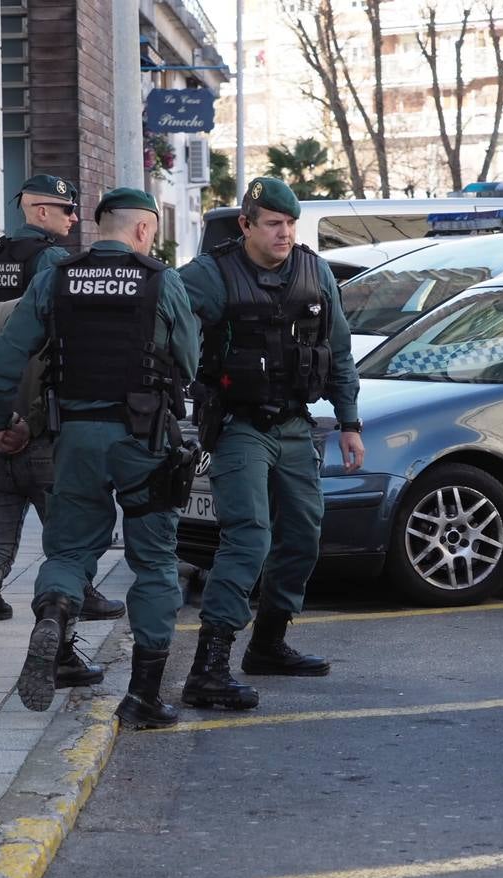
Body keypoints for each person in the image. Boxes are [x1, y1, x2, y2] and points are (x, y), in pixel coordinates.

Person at [0, 188, 198, 728]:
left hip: (74, 437)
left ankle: (54, 614)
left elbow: (0, 363)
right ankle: (143, 696)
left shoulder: (56, 278)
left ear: (97, 227)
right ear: (145, 230)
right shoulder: (160, 280)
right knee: (153, 563)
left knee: (71, 547)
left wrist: (5, 421)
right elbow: (189, 361)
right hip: (145, 440)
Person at [178, 177, 364, 711]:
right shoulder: (211, 275)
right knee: (248, 538)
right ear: (246, 225)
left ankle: (268, 644)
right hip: (238, 426)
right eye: (272, 224)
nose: (284, 234)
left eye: (290, 224)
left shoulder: (315, 271)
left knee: (303, 535)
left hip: (294, 425)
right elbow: (164, 323)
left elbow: (339, 350)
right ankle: (207, 668)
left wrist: (349, 421)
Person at [0, 291, 125, 704]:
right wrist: (27, 424)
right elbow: (72, 382)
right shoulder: (74, 310)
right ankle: (61, 650)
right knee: (68, 552)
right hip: (49, 450)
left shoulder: (2, 311)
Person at [0, 173, 78, 622]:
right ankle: (74, 593)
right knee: (66, 527)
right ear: (40, 211)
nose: (73, 217)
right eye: (66, 209)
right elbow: (53, 337)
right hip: (36, 397)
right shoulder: (51, 258)